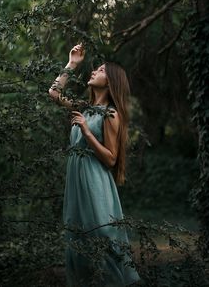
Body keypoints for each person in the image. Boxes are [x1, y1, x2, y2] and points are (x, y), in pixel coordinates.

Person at [49, 44, 141, 287]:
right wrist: (72, 64)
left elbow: (111, 158)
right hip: (77, 181)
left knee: (101, 236)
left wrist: (87, 132)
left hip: (96, 182)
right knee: (77, 238)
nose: (94, 72)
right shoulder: (85, 108)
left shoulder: (111, 114)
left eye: (100, 70)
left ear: (110, 82)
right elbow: (54, 93)